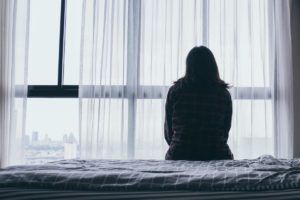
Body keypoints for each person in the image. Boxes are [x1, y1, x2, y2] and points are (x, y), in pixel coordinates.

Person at [164, 46, 234, 161]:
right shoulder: (223, 94)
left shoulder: (175, 91)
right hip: (217, 155)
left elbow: (168, 133)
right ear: (213, 67)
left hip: (179, 154)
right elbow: (225, 131)